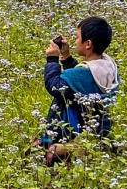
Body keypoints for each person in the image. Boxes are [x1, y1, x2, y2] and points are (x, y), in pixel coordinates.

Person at [39, 16, 120, 164]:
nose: (75, 41)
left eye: (77, 37)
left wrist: (52, 60)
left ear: (88, 43)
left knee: (40, 151)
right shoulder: (107, 66)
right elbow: (80, 83)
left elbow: (57, 87)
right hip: (98, 126)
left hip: (74, 126)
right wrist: (67, 57)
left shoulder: (86, 73)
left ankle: (65, 149)